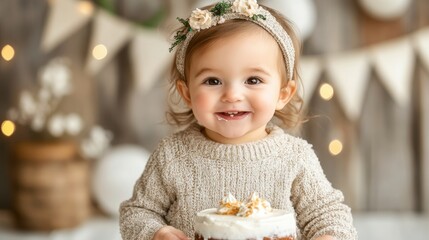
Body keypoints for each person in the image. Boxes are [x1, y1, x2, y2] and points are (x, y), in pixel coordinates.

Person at [120, 1, 358, 240]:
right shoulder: (172, 155)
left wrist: (328, 236)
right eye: (213, 81)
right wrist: (155, 233)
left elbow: (328, 214)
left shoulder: (295, 158)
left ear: (283, 94)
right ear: (187, 94)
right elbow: (137, 212)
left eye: (253, 80)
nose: (232, 95)